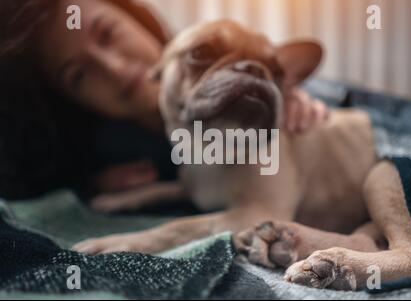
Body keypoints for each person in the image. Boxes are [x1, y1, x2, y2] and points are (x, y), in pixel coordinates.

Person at [0, 0, 328, 203]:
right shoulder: (103, 151)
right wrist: (86, 183)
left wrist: (283, 93)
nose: (115, 69)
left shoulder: (212, 47)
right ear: (69, 100)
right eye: (79, 76)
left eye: (108, 33)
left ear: (138, 18)